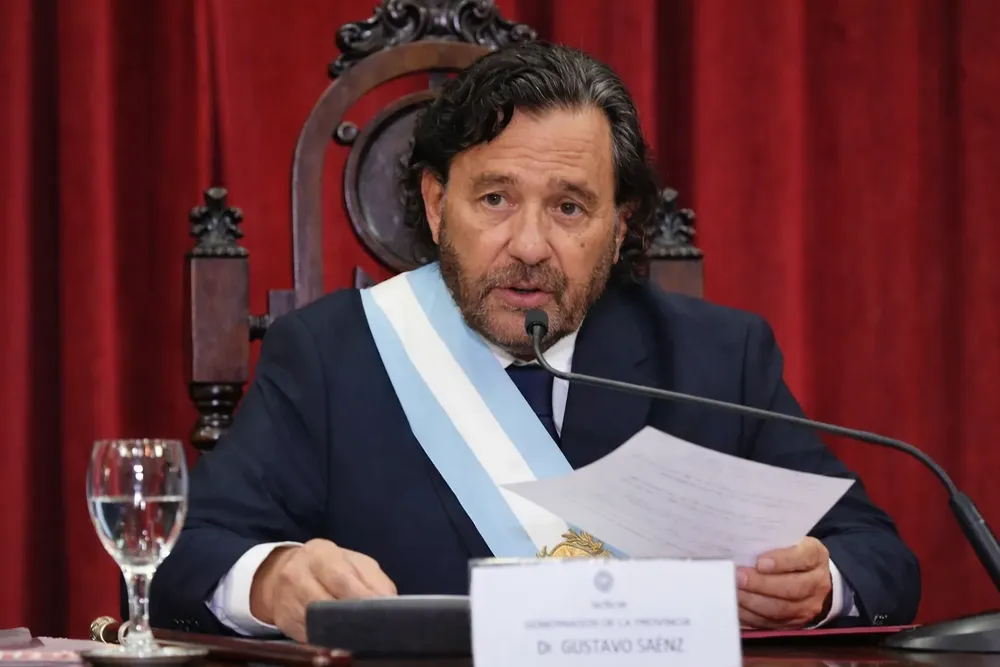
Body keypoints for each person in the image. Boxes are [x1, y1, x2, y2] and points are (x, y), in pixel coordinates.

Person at [148, 41, 920, 642]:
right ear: (437, 202)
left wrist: (821, 582)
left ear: (618, 233)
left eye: (571, 209)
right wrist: (274, 576)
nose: (528, 245)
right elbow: (184, 558)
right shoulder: (330, 356)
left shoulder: (718, 359)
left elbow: (877, 556)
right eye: (495, 198)